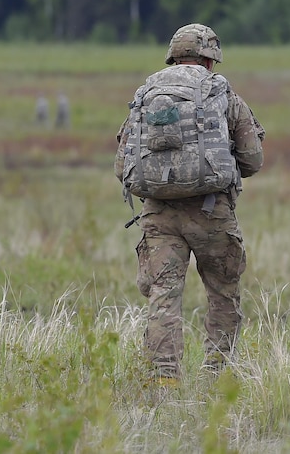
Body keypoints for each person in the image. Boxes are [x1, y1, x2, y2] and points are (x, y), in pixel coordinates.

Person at [114, 23, 265, 382]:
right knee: (222, 292)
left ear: (172, 56)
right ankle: (218, 373)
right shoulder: (223, 95)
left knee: (163, 295)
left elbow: (123, 164)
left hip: (158, 216)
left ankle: (164, 376)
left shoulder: (147, 92)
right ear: (210, 59)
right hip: (212, 213)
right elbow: (252, 161)